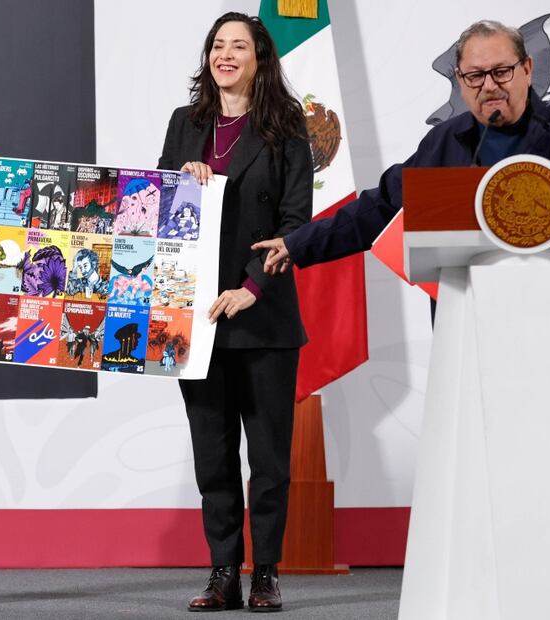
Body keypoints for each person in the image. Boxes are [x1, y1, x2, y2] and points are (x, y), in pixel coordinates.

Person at [158, 12, 311, 612]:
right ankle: (222, 573)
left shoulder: (287, 125)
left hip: (262, 316)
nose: (225, 54)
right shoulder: (185, 123)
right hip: (195, 318)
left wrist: (252, 287)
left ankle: (266, 574)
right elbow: (153, 212)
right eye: (217, 45)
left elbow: (295, 222)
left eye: (238, 46)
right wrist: (180, 182)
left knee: (268, 458)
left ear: (259, 58)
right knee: (212, 454)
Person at [252, 20, 550, 274]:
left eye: (501, 71)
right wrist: (297, 243)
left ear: (527, 69)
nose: (489, 86)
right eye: (475, 76)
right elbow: (381, 208)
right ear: (460, 81)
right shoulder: (444, 141)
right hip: (466, 315)